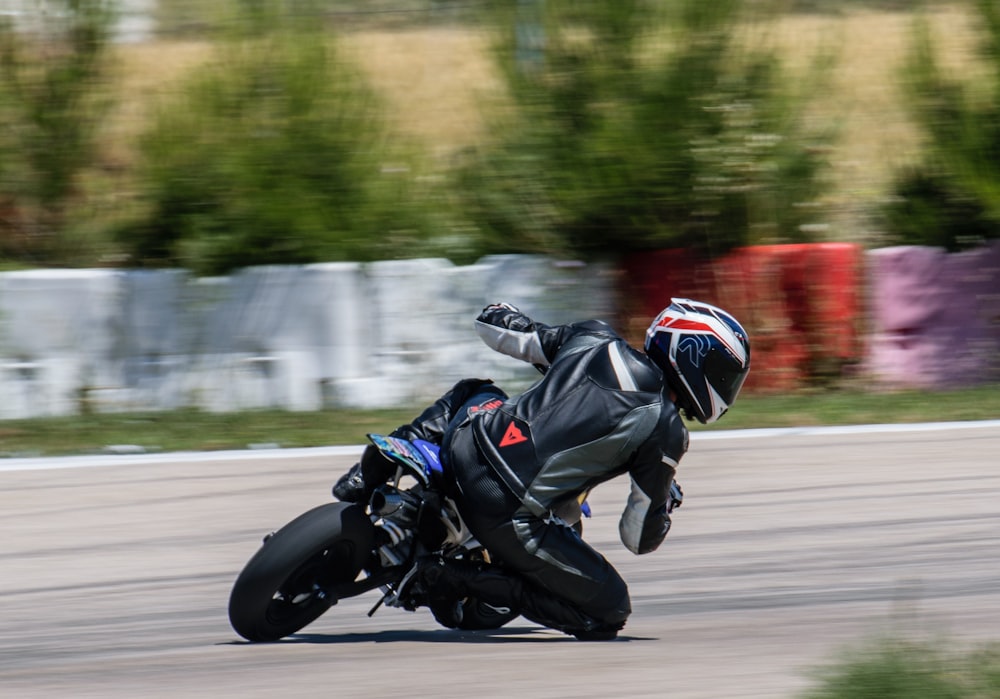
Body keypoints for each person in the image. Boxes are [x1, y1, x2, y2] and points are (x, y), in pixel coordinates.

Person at [334, 298, 750, 640]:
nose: (726, 387)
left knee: (477, 391)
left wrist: (504, 311)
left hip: (467, 443)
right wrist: (664, 504)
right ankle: (442, 577)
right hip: (504, 507)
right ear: (695, 358)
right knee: (609, 611)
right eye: (725, 374)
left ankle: (366, 472)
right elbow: (637, 537)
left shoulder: (595, 336)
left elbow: (498, 329)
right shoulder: (666, 429)